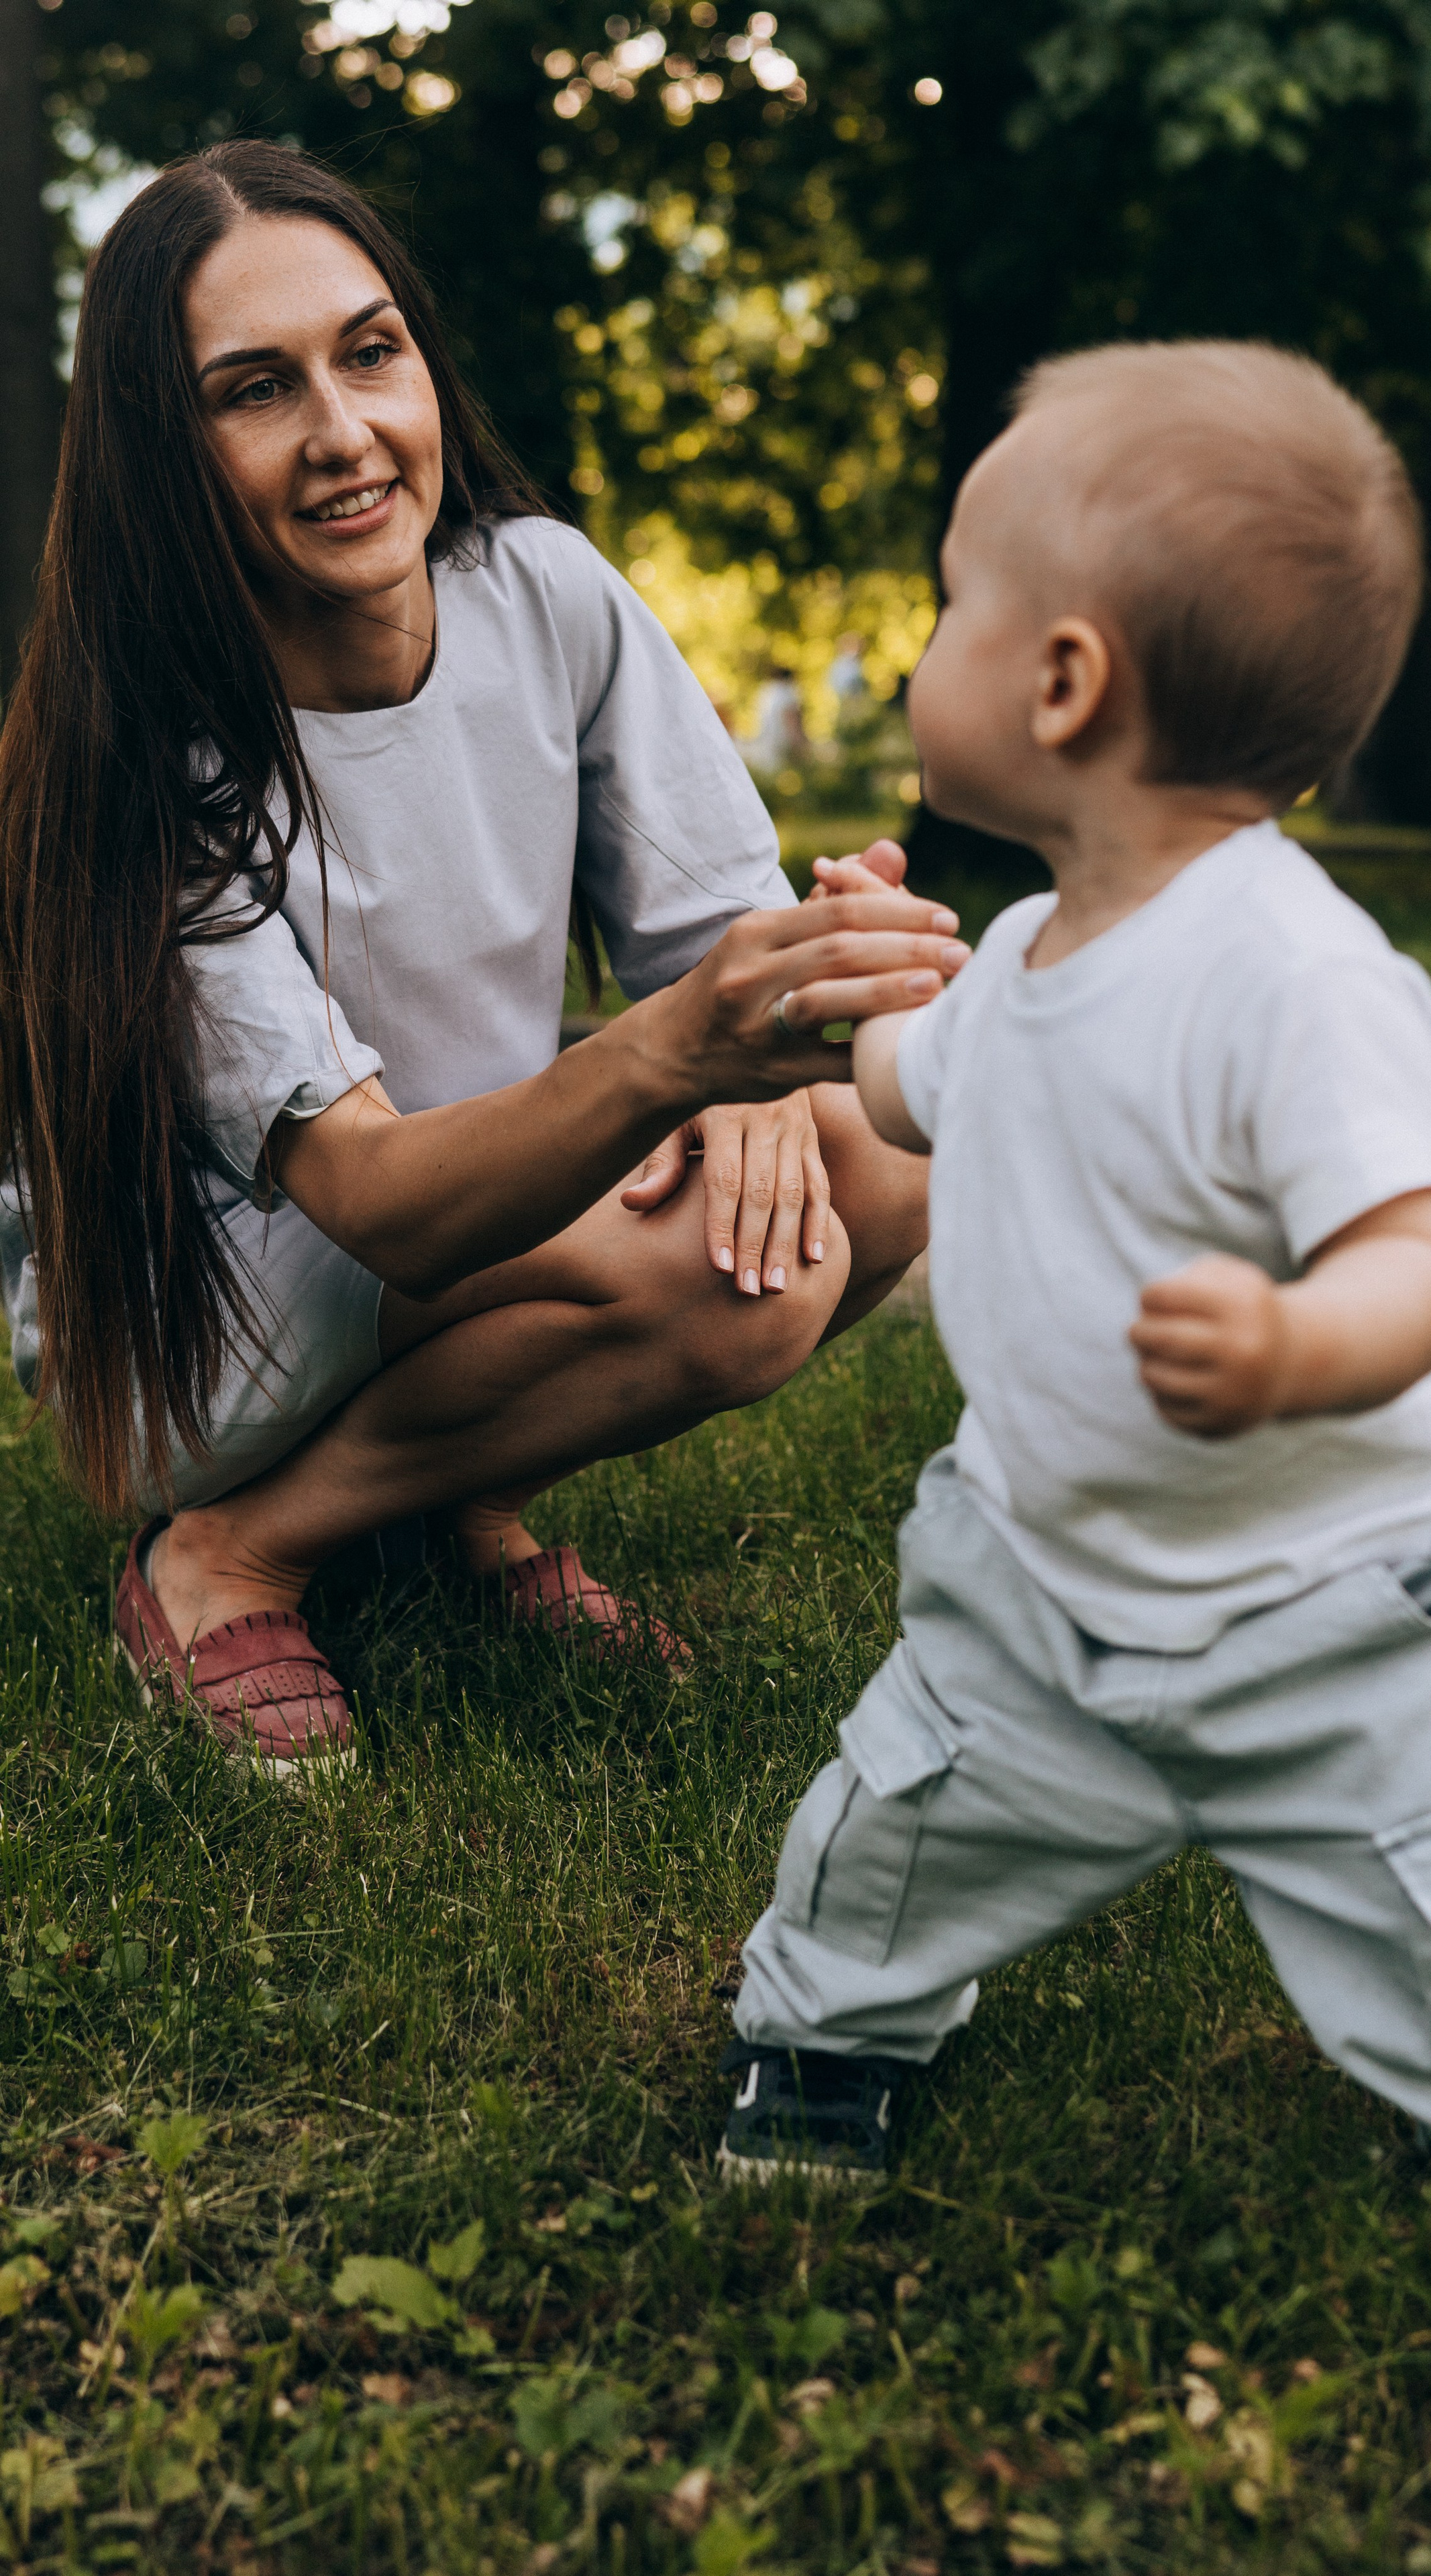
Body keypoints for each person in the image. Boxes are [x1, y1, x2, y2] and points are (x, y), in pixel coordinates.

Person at [712, 341, 1431, 2295]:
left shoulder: (1297, 975)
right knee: (896, 1828)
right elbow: (904, 1084)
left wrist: (1304, 1346)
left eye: (955, 600)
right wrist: (801, 1068)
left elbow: (1424, 1247)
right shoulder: (1020, 961)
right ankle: (823, 2039)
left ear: (1063, 685)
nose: (924, 641)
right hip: (1046, 1593)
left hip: (1331, 1609)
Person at [0, 142, 967, 1781]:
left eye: (370, 352)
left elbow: (714, 938)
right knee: (745, 1288)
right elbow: (372, 1193)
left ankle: (458, 1512)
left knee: (872, 1163)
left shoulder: (546, 597)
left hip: (469, 1234)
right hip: (189, 1333)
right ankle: (226, 1558)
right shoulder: (149, 751)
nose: (345, 434)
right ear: (169, 454)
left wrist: (773, 1046)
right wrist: (680, 1061)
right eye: (255, 392)